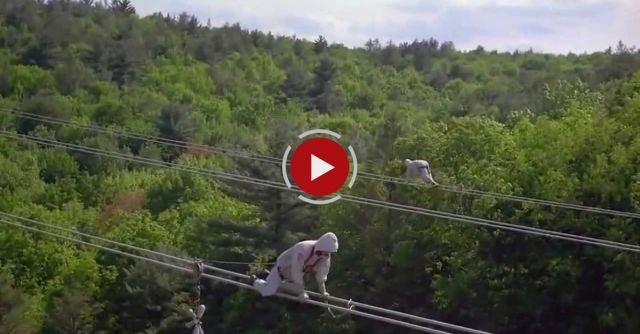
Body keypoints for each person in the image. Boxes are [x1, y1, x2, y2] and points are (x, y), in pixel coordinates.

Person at [251, 232, 338, 300]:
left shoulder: (325, 257)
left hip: (294, 276)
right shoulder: (303, 249)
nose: (326, 255)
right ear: (320, 248)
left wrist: (323, 292)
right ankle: (254, 280)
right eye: (324, 253)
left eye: (329, 253)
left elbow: (321, 276)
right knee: (268, 291)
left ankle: (270, 278)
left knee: (296, 290)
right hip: (282, 269)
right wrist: (302, 293)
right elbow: (296, 271)